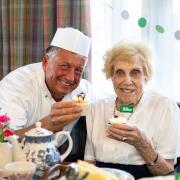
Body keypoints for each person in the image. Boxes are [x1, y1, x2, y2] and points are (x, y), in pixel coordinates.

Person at [85, 41, 180, 179]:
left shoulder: (165, 107)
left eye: (135, 73)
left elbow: (167, 173)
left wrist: (142, 144)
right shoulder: (97, 108)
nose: (127, 81)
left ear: (146, 76)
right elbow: (89, 163)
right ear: (111, 76)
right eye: (119, 73)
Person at [0, 27, 91, 144]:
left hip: (55, 159)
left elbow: (110, 103)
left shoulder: (83, 90)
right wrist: (47, 125)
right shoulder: (17, 86)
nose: (70, 77)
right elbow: (4, 141)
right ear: (45, 62)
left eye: (78, 70)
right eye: (64, 66)